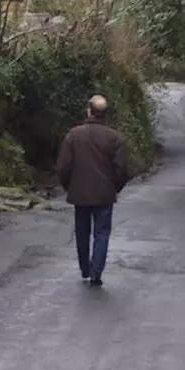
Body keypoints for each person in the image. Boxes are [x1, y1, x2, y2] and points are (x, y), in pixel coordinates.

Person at [55, 94, 129, 287]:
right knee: (102, 233)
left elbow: (63, 166)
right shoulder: (115, 138)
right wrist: (115, 188)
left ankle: (85, 268)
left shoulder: (74, 135)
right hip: (104, 194)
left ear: (89, 111)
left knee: (82, 232)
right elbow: (121, 169)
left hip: (80, 193)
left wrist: (69, 186)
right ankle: (96, 272)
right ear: (105, 114)